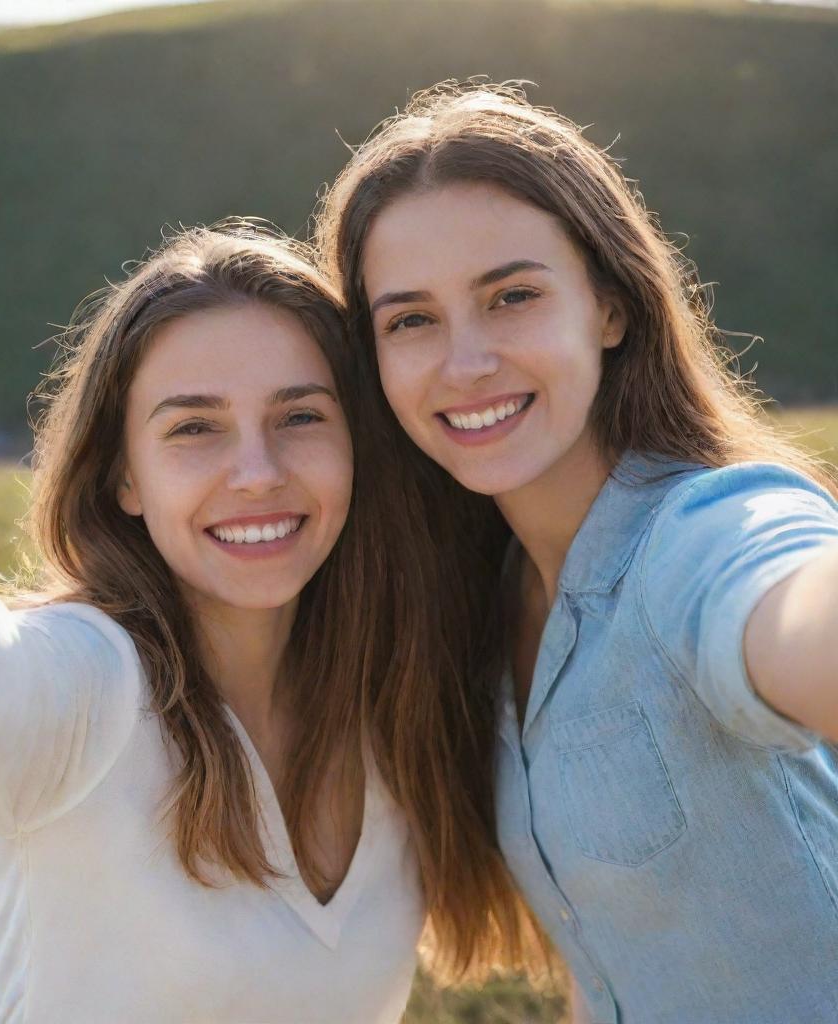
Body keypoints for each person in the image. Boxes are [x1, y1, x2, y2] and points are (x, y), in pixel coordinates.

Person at [0, 225, 514, 1022]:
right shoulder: (82, 695)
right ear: (123, 476)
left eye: (301, 417)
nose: (257, 474)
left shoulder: (396, 697)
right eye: (193, 427)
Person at [315, 81, 838, 1024]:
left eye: (511, 296)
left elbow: (789, 600)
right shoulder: (484, 595)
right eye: (411, 320)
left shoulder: (702, 533)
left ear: (610, 306)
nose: (465, 363)